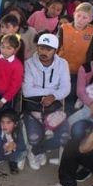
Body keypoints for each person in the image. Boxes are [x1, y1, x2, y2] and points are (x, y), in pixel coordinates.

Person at [22, 33, 70, 171]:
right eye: (41, 48)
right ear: (37, 47)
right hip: (33, 108)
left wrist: (53, 96)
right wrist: (52, 92)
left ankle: (36, 151)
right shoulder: (29, 63)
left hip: (54, 108)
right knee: (34, 137)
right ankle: (35, 147)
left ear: (55, 50)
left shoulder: (62, 64)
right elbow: (27, 91)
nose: (44, 52)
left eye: (48, 49)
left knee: (64, 136)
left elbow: (66, 88)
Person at [0, 111, 26, 175]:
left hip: (12, 155)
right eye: (2, 122)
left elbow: (23, 146)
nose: (4, 125)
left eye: (8, 123)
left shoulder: (18, 133)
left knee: (23, 151)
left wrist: (15, 145)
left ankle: (13, 163)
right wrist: (4, 145)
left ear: (15, 124)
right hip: (1, 153)